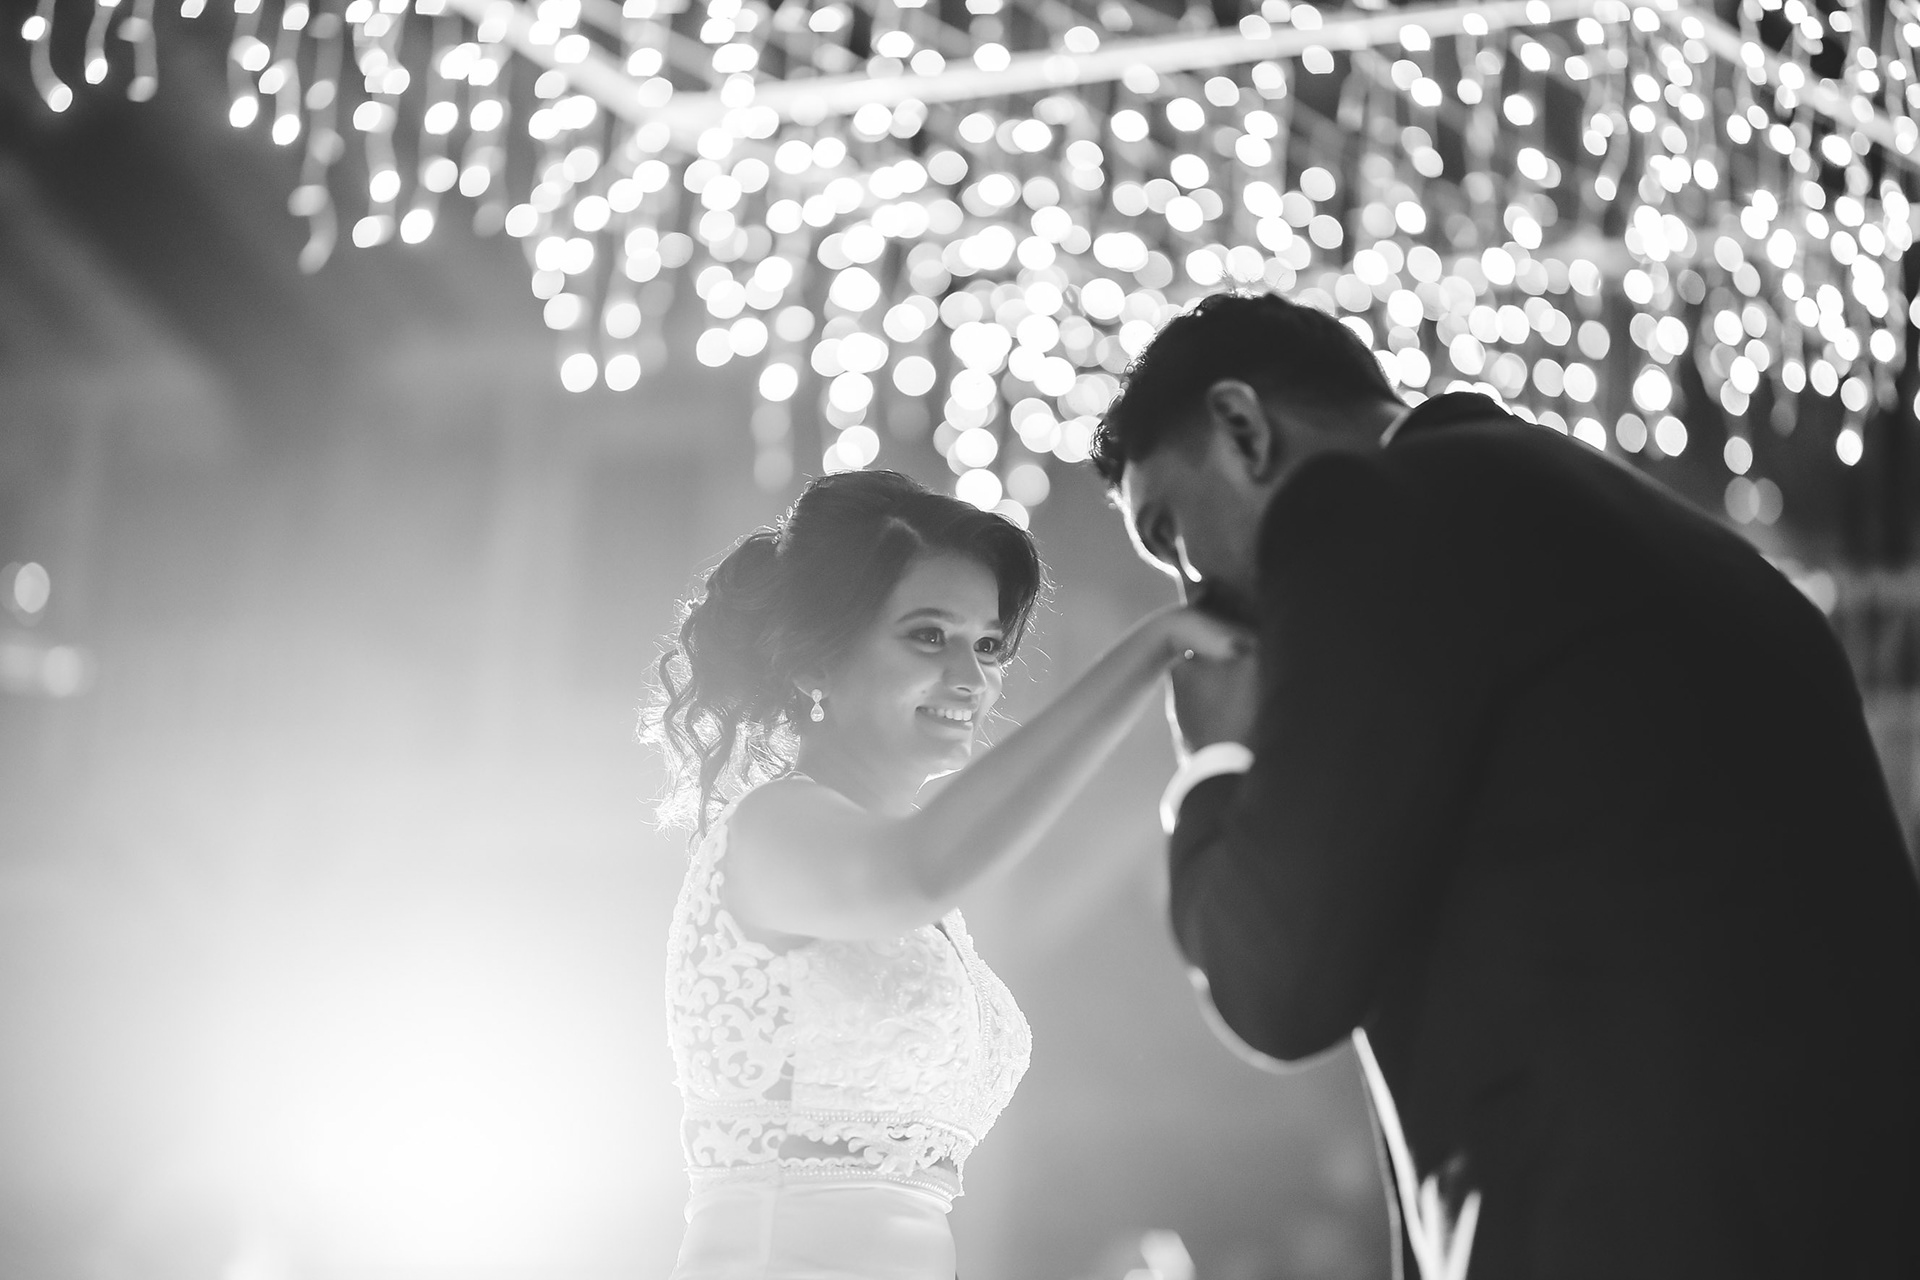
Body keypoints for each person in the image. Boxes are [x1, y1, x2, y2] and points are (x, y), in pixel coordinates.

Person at [1093, 291, 1920, 1280]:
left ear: (1242, 426)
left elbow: (1277, 983)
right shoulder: (1679, 543)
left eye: (1171, 533)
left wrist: (1216, 760)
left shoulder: (1356, 512)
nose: (1192, 595)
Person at [646, 469, 1244, 1280]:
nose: (971, 678)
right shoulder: (770, 829)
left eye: (989, 645)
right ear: (816, 663)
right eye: (928, 636)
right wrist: (1149, 652)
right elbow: (923, 868)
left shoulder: (931, 906)